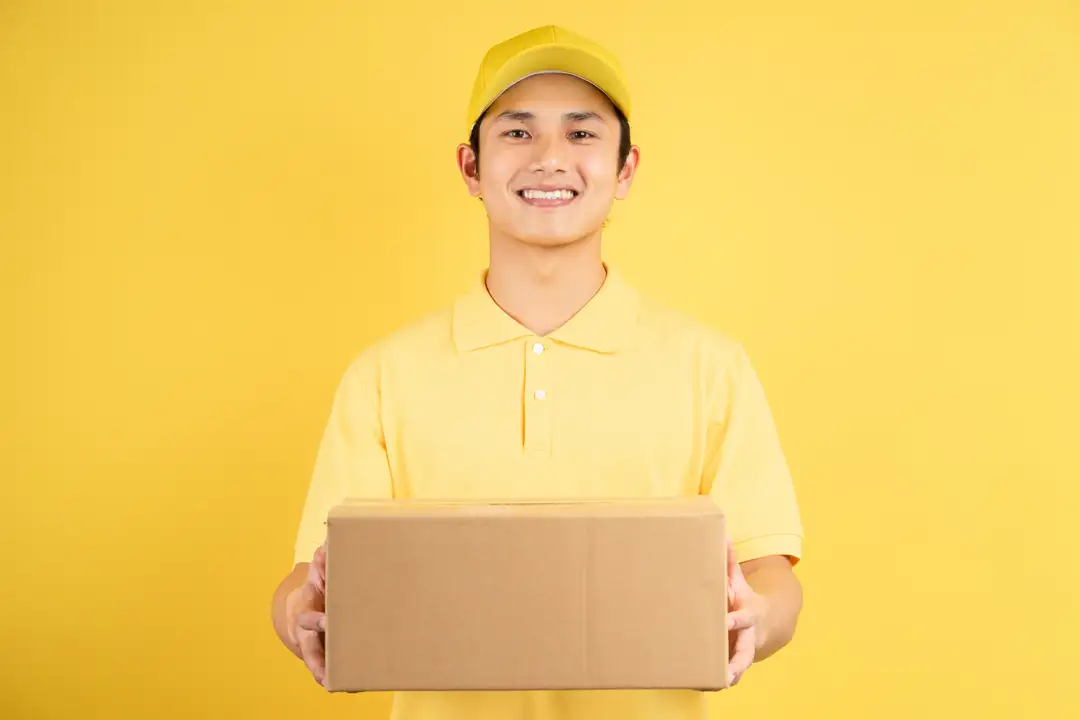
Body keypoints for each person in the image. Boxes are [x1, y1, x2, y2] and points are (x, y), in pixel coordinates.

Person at [271, 24, 804, 720]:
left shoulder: (711, 365)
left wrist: (760, 620)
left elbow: (770, 572)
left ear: (626, 169)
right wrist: (298, 616)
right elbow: (313, 576)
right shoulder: (384, 373)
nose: (550, 159)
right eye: (518, 134)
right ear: (470, 167)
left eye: (582, 134)